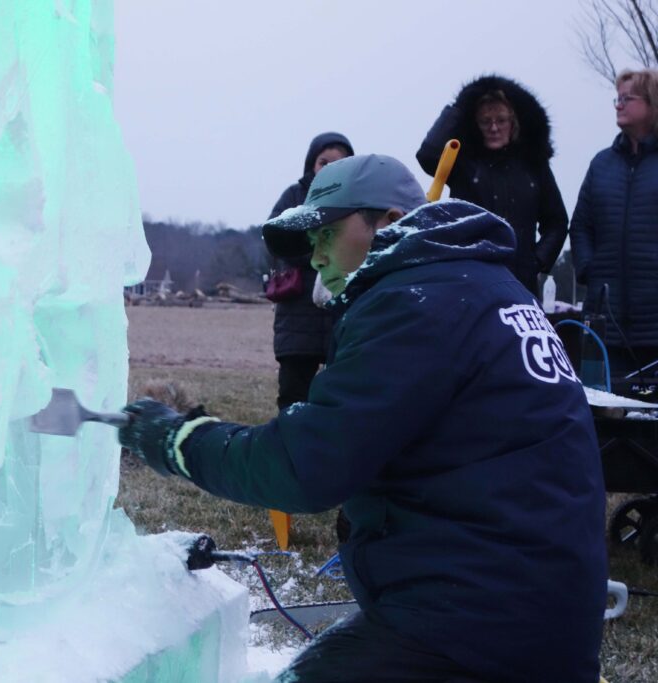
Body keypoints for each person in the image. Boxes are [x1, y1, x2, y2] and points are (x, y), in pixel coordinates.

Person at [119, 155, 607, 682]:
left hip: (485, 623)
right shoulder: (478, 284)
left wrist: (178, 439)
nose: (318, 255)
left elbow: (304, 466)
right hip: (524, 599)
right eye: (313, 240)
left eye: (330, 232)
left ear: (390, 222)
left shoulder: (416, 303)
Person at [417, 75, 568, 296]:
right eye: (485, 121)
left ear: (513, 122)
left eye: (501, 120)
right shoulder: (463, 163)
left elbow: (556, 222)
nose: (494, 127)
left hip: (520, 284)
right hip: (469, 280)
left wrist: (536, 262)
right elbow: (428, 155)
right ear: (475, 124)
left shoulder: (534, 166)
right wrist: (460, 106)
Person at [570, 68, 658, 378]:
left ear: (652, 103)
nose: (618, 105)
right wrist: (588, 269)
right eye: (616, 99)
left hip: (654, 324)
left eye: (627, 98)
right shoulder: (601, 164)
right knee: (608, 415)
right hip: (605, 321)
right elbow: (580, 225)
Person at [268, 132, 354, 410]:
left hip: (340, 312)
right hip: (297, 314)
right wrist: (319, 254)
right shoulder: (294, 196)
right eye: (323, 162)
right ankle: (286, 446)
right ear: (311, 165)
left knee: (339, 392)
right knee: (293, 392)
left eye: (337, 163)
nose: (328, 169)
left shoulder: (357, 202)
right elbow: (275, 238)